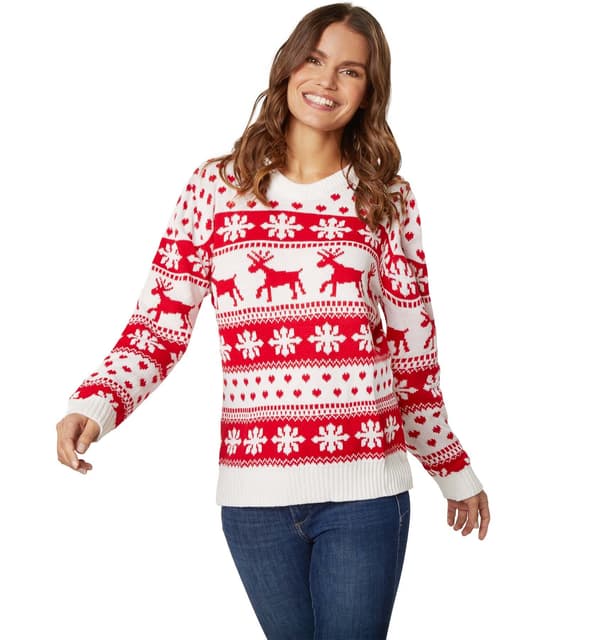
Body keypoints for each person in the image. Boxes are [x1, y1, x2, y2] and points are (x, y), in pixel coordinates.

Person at [56, 3, 490, 638]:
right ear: (288, 66)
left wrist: (451, 468)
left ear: (369, 91)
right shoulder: (214, 189)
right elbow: (158, 325)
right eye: (315, 59)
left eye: (351, 71)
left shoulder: (387, 199)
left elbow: (414, 353)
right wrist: (96, 404)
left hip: (364, 490)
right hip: (254, 498)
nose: (327, 81)